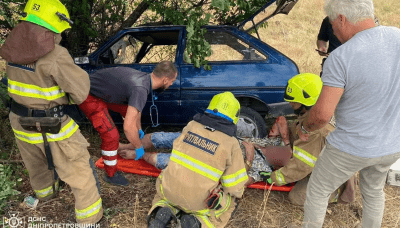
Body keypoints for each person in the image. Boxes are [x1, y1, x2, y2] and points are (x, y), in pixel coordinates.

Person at [119, 73, 355, 206]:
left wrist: (268, 175)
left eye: (293, 101)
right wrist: (281, 134)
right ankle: (134, 147)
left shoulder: (311, 137)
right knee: (177, 139)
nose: (290, 105)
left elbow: (299, 166)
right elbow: (293, 148)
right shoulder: (303, 123)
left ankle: (337, 189)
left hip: (322, 167)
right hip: (241, 146)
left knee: (298, 198)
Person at [0, 0, 102, 224]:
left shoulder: (12, 48)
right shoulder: (56, 55)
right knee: (79, 169)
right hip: (52, 124)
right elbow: (81, 91)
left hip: (19, 121)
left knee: (37, 166)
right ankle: (90, 218)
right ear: (52, 27)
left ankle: (46, 198)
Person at [300, 0, 400, 227]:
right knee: (374, 191)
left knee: (319, 189)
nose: (333, 32)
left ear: (342, 19)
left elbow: (323, 116)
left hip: (351, 147)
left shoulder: (341, 57)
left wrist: (304, 126)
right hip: (393, 144)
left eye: (333, 24)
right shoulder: (397, 36)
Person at [147, 92, 247, 228]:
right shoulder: (231, 143)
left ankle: (162, 208)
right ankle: (197, 222)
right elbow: (234, 187)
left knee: (164, 196)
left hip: (169, 189)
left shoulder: (191, 126)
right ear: (234, 117)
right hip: (198, 202)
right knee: (229, 203)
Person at [78, 62, 177, 186]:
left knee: (128, 112)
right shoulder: (141, 88)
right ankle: (111, 174)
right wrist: (138, 148)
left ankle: (121, 146)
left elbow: (135, 108)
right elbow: (128, 128)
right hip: (88, 95)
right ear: (165, 80)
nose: (172, 84)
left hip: (100, 90)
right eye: (172, 81)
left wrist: (139, 129)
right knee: (111, 136)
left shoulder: (145, 79)